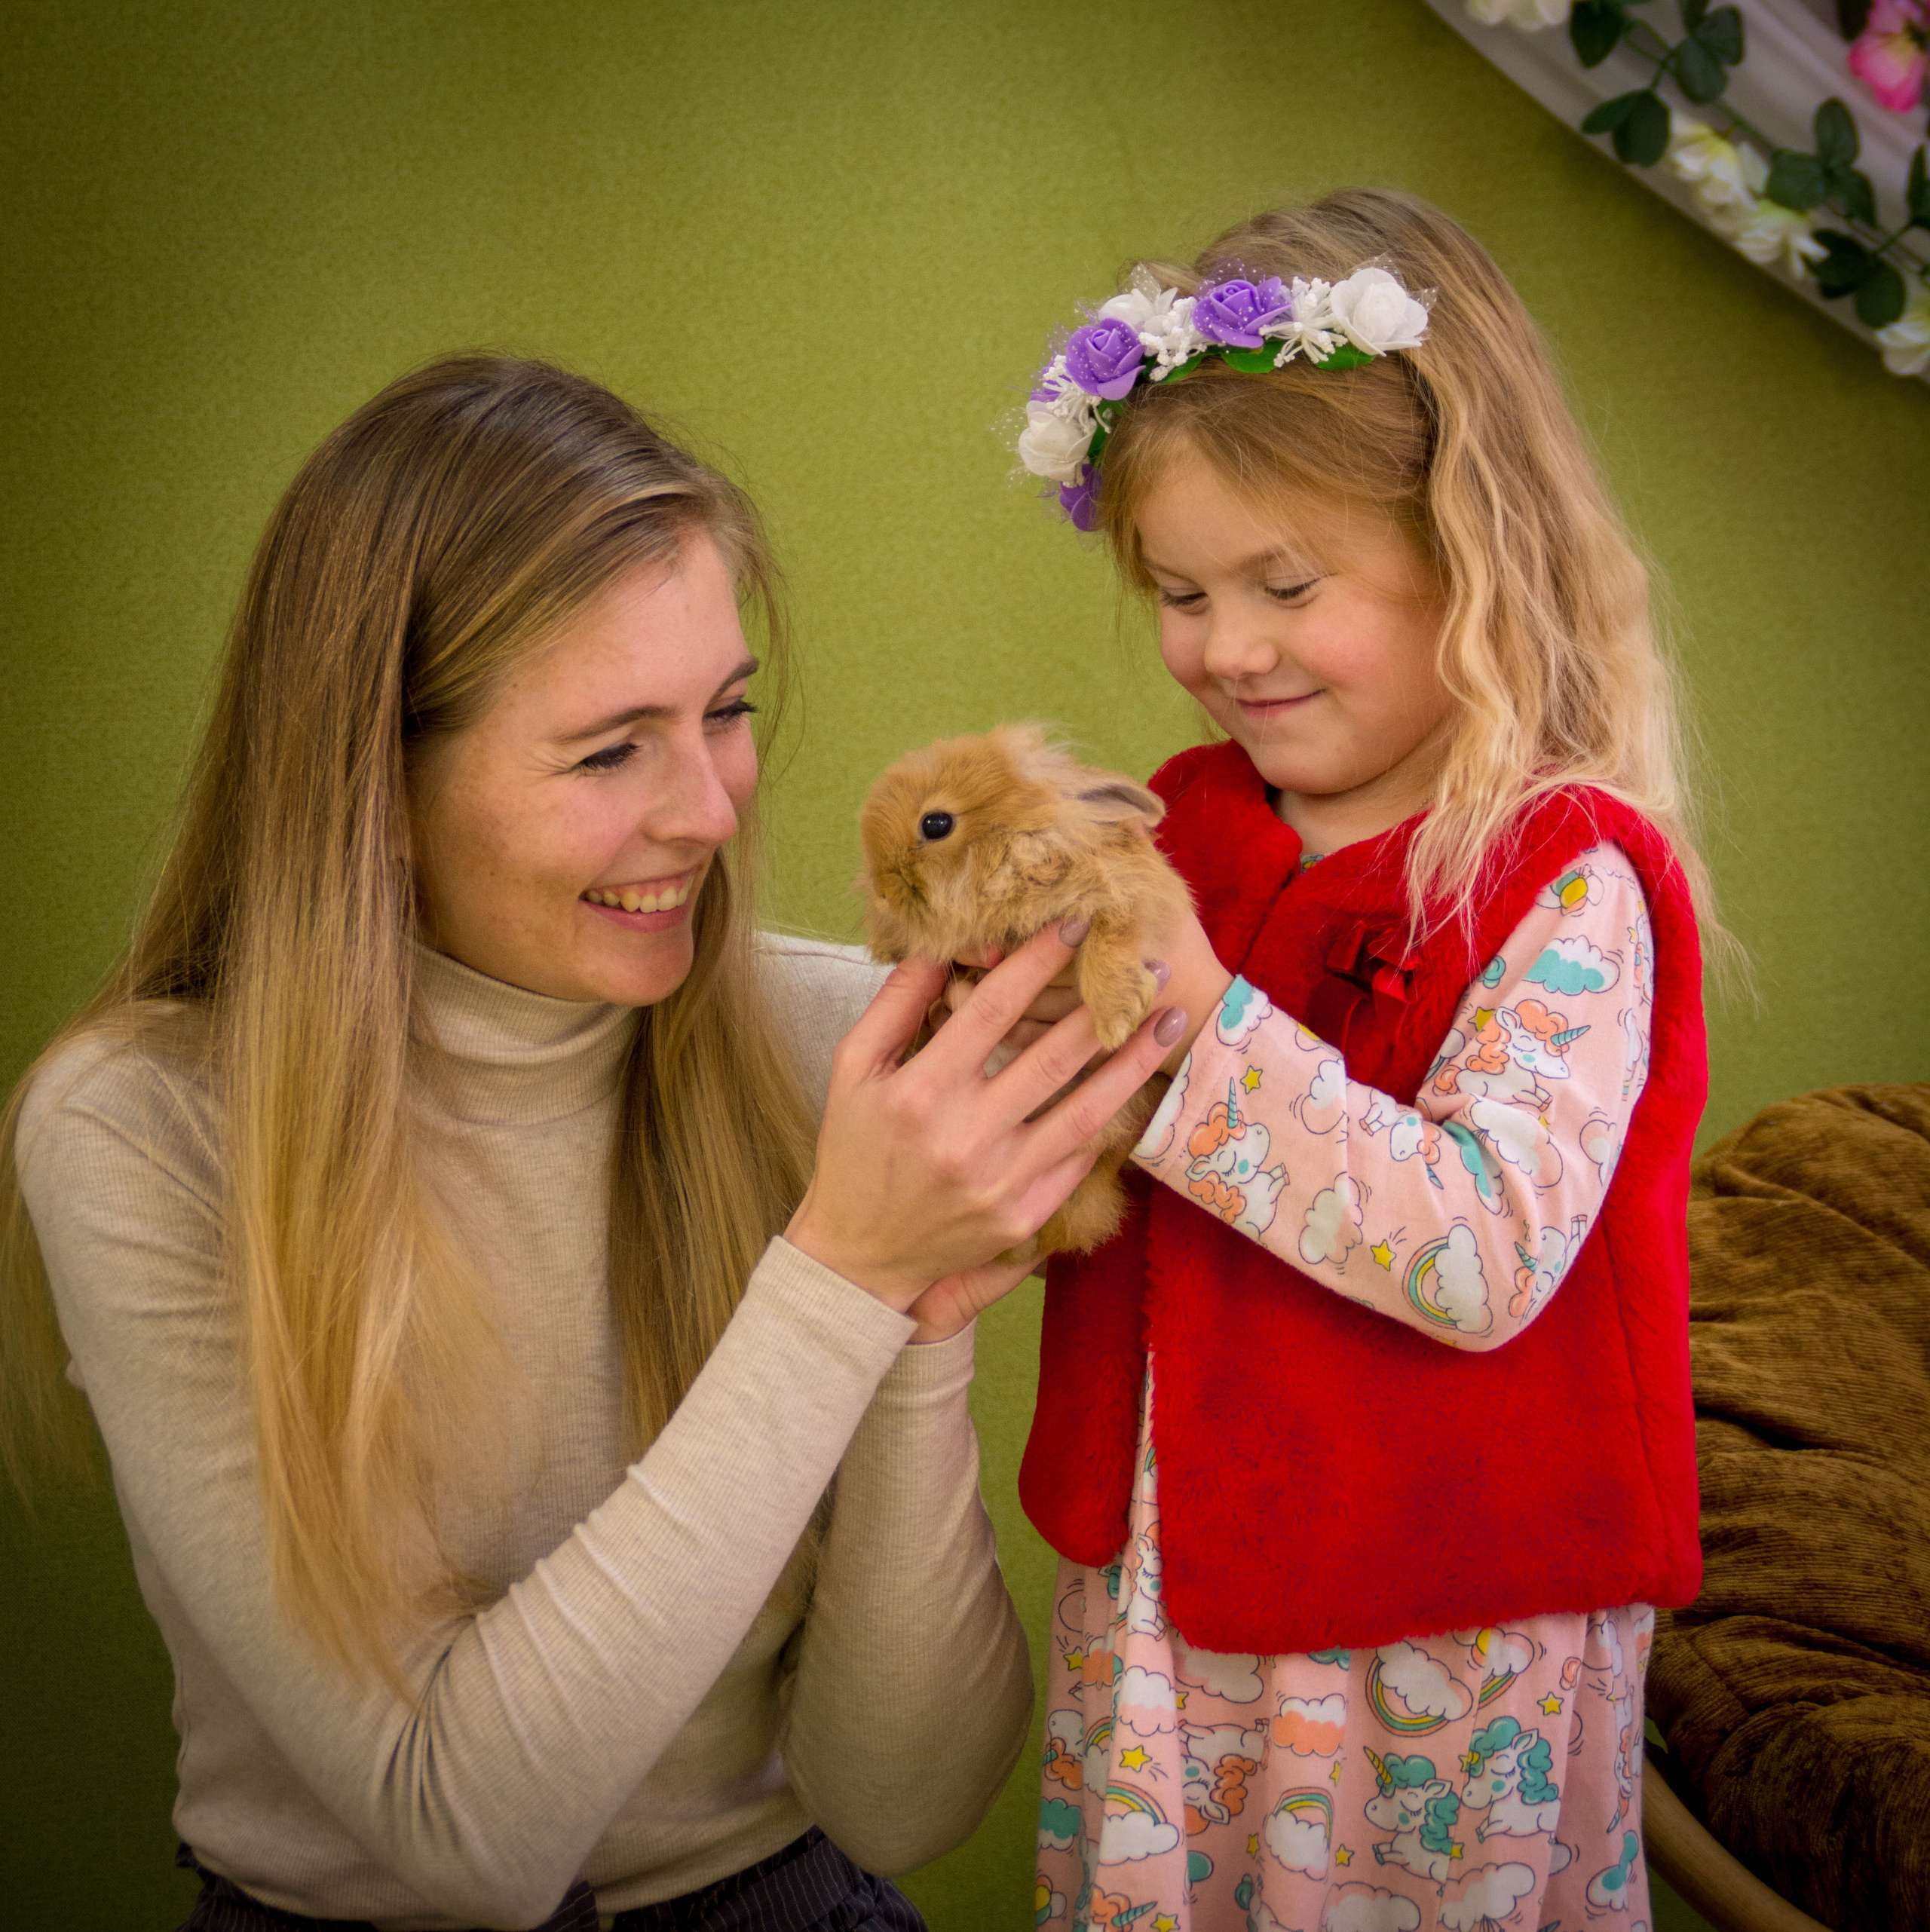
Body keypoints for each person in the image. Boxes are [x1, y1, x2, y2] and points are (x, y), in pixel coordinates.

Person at [0, 356, 1184, 1931]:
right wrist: (838, 1270)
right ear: (379, 787)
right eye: (608, 747)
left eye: (726, 712)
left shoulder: (836, 1051)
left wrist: (908, 1318)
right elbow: (462, 1833)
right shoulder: (141, 1131)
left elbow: (896, 1799)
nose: (708, 810)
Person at [1006, 191, 1717, 1930]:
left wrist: (1179, 1028)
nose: (1222, 648)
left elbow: (1479, 1249)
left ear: (1470, 554)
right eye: (1179, 591)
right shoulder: (1187, 817)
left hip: (1428, 1643)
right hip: (1177, 1593)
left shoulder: (1558, 870)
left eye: (1283, 585)